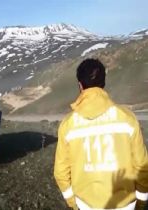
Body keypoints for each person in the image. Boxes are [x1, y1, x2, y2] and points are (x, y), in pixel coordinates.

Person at [54, 58, 148, 210]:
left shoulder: (67, 125)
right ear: (103, 84)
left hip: (85, 204)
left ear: (80, 85)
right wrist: (141, 202)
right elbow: (142, 167)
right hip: (126, 204)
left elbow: (60, 172)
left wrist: (73, 202)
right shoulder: (128, 118)